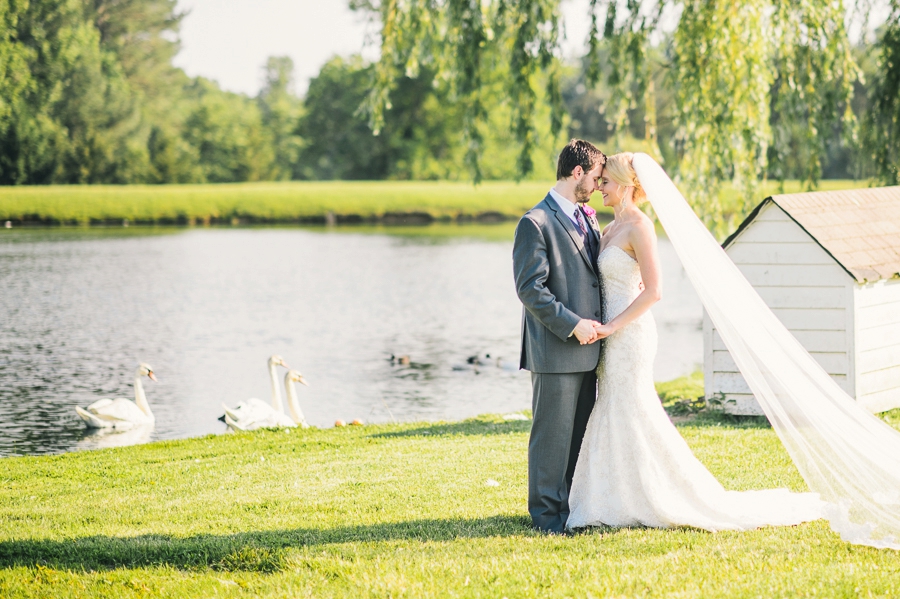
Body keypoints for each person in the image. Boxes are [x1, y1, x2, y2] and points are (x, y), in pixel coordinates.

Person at [565, 153, 823, 531]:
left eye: (605, 181)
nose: (598, 187)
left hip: (630, 334)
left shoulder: (640, 227)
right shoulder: (608, 229)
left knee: (633, 408)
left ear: (624, 185)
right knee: (613, 408)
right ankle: (612, 495)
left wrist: (611, 327)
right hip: (609, 335)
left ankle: (654, 495)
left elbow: (653, 292)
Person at [512, 139, 606, 533]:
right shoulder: (535, 223)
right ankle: (547, 518)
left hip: (590, 351)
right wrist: (573, 324)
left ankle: (571, 509)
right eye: (597, 177)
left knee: (579, 437)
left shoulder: (588, 217)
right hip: (555, 349)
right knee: (551, 438)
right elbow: (531, 289)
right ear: (577, 172)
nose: (601, 185)